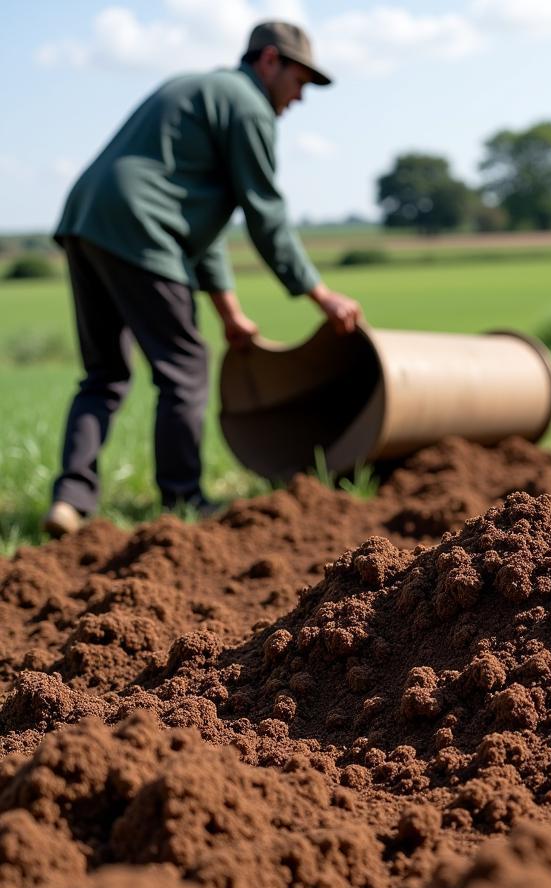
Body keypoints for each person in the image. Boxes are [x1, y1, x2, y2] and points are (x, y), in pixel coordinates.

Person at [43, 21, 361, 538]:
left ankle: (70, 501)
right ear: (269, 61)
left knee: (103, 376)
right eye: (300, 81)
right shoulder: (248, 106)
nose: (299, 98)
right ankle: (182, 498)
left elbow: (203, 228)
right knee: (185, 367)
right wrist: (319, 294)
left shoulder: (205, 92)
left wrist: (230, 313)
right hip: (141, 225)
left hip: (87, 219)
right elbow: (265, 212)